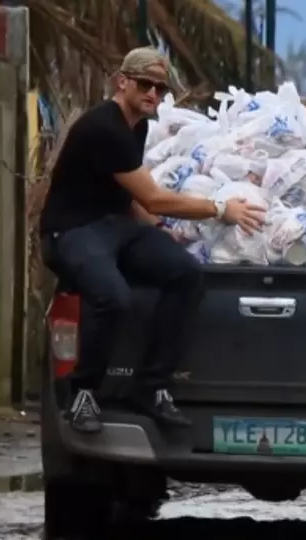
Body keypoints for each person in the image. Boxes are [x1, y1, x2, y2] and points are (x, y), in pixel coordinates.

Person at [39, 48, 266, 434]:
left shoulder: (137, 126)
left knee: (186, 274)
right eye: (145, 85)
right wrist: (218, 207)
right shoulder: (102, 128)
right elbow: (154, 196)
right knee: (114, 297)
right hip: (72, 230)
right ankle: (83, 393)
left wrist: (159, 230)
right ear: (122, 81)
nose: (153, 95)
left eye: (160, 89)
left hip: (116, 225)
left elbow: (129, 195)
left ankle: (151, 385)